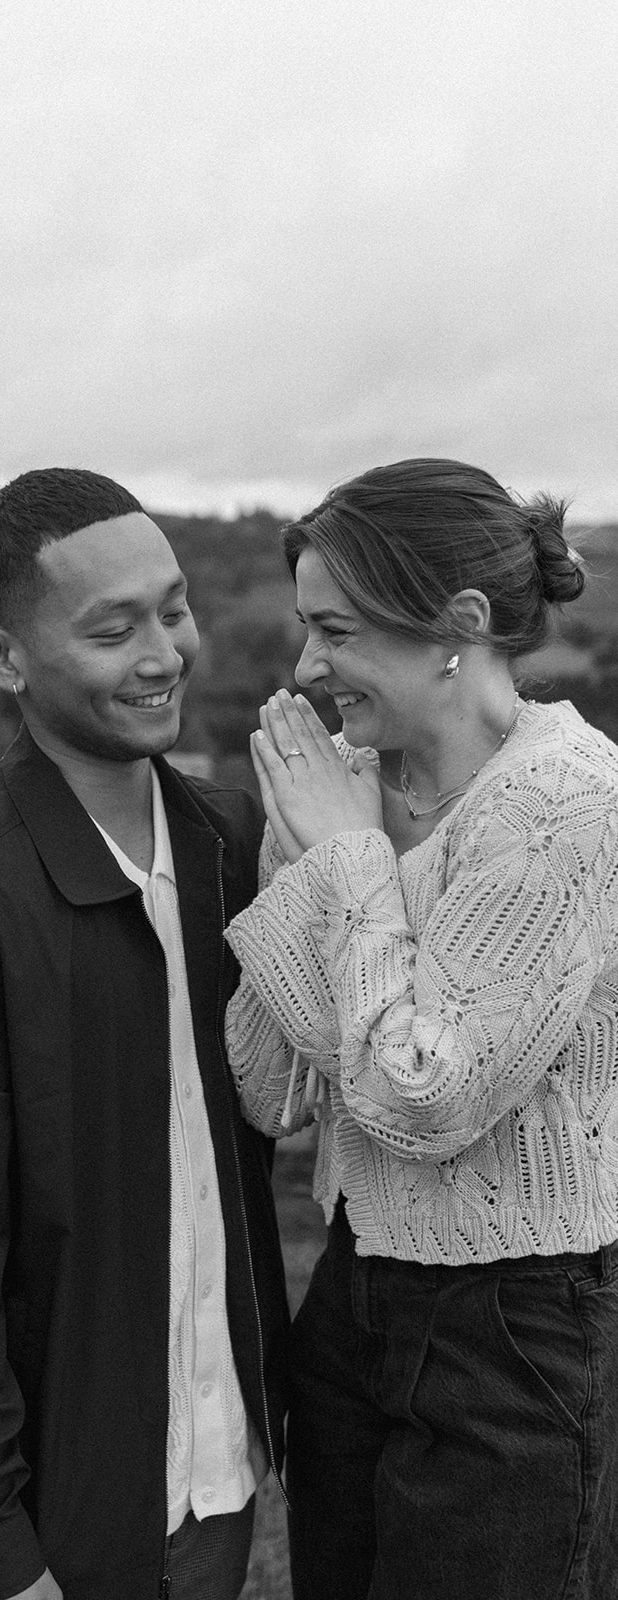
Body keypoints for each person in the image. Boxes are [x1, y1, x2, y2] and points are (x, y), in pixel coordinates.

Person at [0, 467, 289, 1600]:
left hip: (217, 1475)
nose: (165, 652)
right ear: (5, 660)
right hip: (51, 1524)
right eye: (113, 628)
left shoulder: (230, 846)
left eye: (172, 608)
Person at [223, 457, 618, 1600]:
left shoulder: (564, 804)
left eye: (335, 630)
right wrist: (309, 858)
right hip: (351, 1297)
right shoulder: (339, 786)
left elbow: (420, 1096)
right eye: (305, 628)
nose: (306, 667)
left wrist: (341, 864)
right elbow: (269, 1083)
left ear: (462, 623)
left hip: (518, 1327)